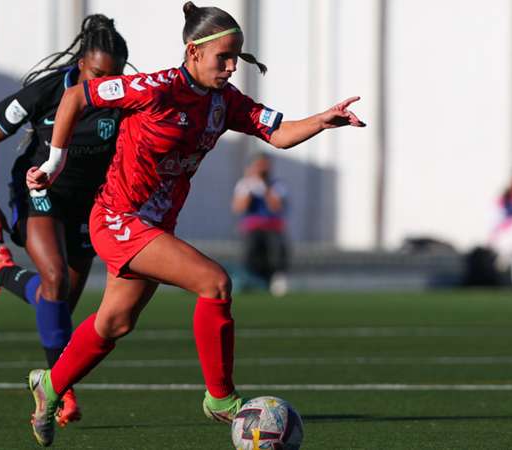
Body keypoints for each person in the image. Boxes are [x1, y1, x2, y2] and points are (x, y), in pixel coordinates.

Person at [24, 2, 365, 445]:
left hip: (153, 227)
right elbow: (76, 96)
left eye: (234, 59)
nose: (228, 68)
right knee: (215, 283)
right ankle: (220, 399)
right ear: (192, 53)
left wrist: (322, 120)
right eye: (221, 58)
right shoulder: (155, 88)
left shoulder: (226, 103)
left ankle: (48, 386)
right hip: (118, 219)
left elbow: (278, 133)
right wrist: (55, 160)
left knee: (114, 323)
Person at [0, 14, 129, 427]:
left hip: (87, 205)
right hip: (38, 191)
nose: (103, 85)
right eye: (96, 74)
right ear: (81, 64)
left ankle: (0, 272)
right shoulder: (51, 89)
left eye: (115, 75)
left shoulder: (126, 98)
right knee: (54, 281)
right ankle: (61, 392)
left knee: (56, 303)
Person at [232, 153, 290, 296]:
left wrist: (265, 188)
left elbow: (276, 207)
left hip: (272, 225)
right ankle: (252, 279)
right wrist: (250, 186)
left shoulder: (277, 185)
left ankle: (275, 279)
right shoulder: (245, 184)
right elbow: (239, 208)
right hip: (253, 226)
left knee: (276, 252)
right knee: (251, 253)